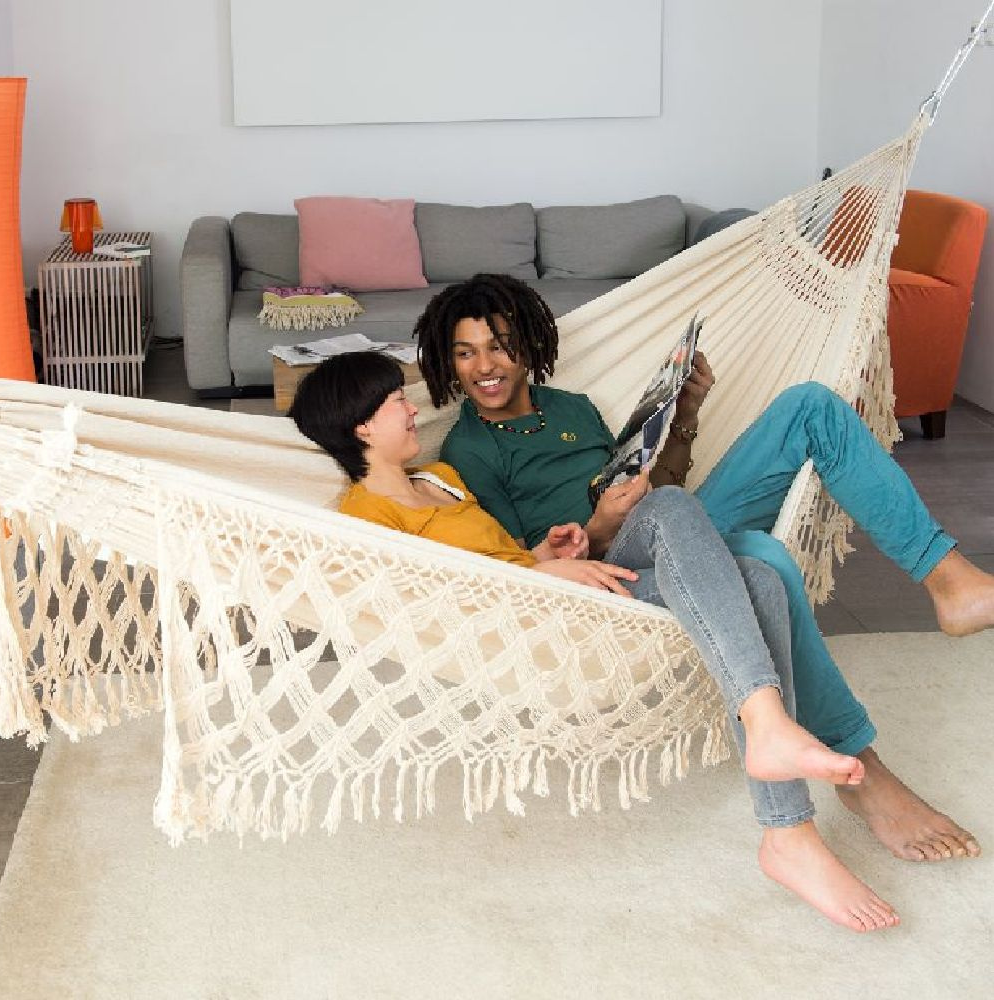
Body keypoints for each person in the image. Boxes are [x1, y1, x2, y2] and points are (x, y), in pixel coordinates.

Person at [291, 350, 900, 933]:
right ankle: (782, 797)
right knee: (709, 541)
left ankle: (784, 812)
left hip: (555, 588)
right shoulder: (366, 517)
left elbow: (498, 555)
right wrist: (540, 579)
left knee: (742, 566)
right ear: (362, 425)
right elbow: (437, 603)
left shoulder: (439, 479)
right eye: (396, 402)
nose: (412, 410)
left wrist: (549, 553)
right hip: (533, 623)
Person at [414, 272, 994, 869]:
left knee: (810, 406)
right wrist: (601, 527)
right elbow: (517, 567)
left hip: (674, 531)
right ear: (447, 363)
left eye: (498, 346)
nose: (484, 366)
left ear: (528, 346)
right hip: (607, 577)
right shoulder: (470, 450)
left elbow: (663, 487)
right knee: (762, 560)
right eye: (465, 353)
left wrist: (685, 414)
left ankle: (948, 578)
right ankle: (860, 776)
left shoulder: (573, 409)